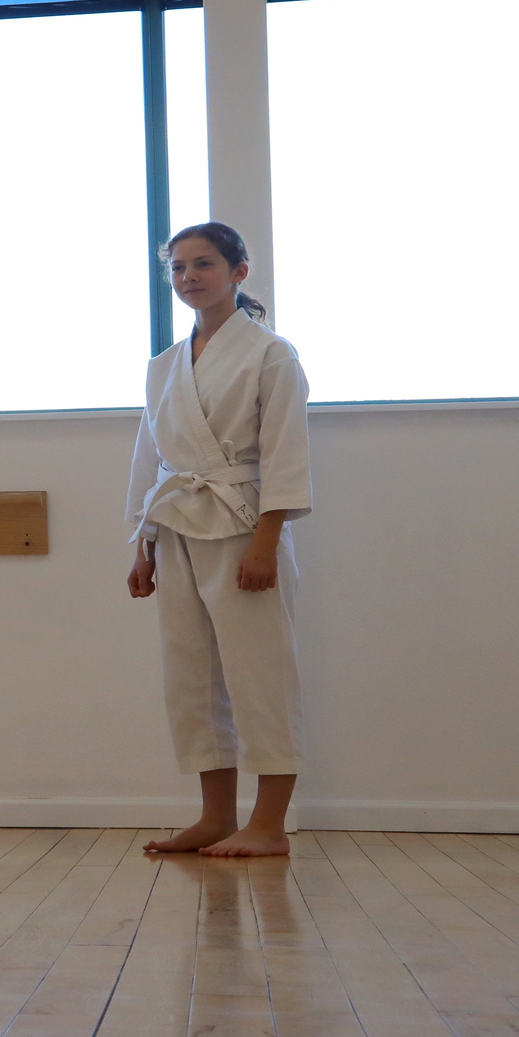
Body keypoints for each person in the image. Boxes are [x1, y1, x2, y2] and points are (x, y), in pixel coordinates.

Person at [127, 222, 312, 858]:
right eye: (177, 269)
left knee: (260, 672)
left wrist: (267, 541)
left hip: (243, 525)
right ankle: (214, 816)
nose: (187, 278)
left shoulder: (271, 354)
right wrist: (142, 544)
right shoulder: (163, 367)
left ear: (239, 271)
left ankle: (270, 823)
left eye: (202, 264)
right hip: (176, 525)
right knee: (192, 675)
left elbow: (286, 453)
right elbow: (150, 458)